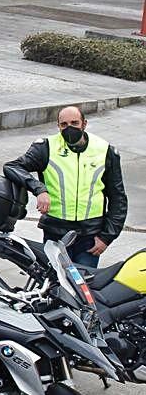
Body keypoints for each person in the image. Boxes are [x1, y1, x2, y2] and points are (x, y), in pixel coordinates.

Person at [7, 106, 128, 271]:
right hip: (55, 234)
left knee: (82, 290)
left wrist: (107, 237)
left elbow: (118, 198)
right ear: (58, 126)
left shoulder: (104, 151)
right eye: (63, 124)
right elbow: (12, 167)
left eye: (74, 123)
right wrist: (39, 189)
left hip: (89, 237)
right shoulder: (47, 147)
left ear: (84, 124)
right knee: (55, 287)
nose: (69, 128)